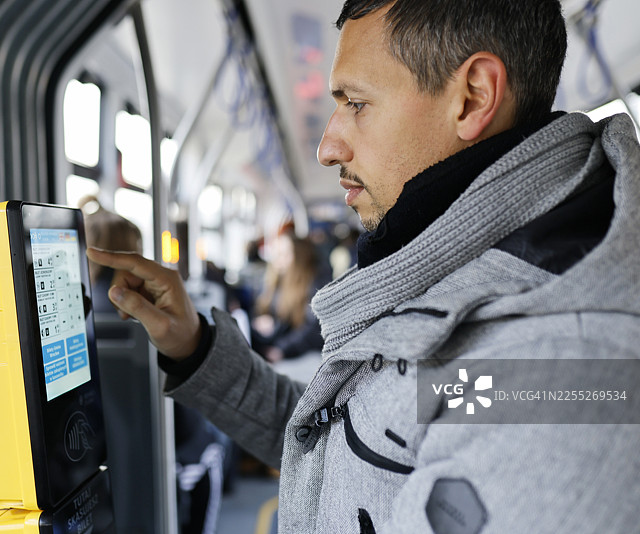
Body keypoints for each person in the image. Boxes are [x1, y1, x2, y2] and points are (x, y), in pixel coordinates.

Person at [87, 1, 640, 532]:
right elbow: (354, 441)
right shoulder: (469, 278)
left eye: (355, 103)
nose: (328, 146)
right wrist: (196, 349)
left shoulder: (567, 378)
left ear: (472, 98)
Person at [252, 231, 328, 362]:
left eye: (284, 254)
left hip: (304, 357)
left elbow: (314, 328)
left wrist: (282, 349)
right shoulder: (273, 280)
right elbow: (261, 309)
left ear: (299, 257)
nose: (278, 259)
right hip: (277, 351)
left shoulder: (315, 282)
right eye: (276, 254)